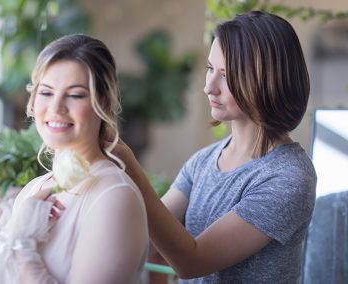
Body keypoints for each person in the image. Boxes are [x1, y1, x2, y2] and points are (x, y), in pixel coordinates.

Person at [113, 11, 317, 283]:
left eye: (227, 74)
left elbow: (192, 262)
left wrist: (128, 164)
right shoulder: (204, 161)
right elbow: (144, 239)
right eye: (210, 69)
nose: (209, 87)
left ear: (267, 79)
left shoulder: (288, 177)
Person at [0, 34, 149, 283]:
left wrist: (24, 246)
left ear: (104, 102)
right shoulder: (36, 188)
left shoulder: (114, 197)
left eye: (75, 95)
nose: (56, 108)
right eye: (46, 92)